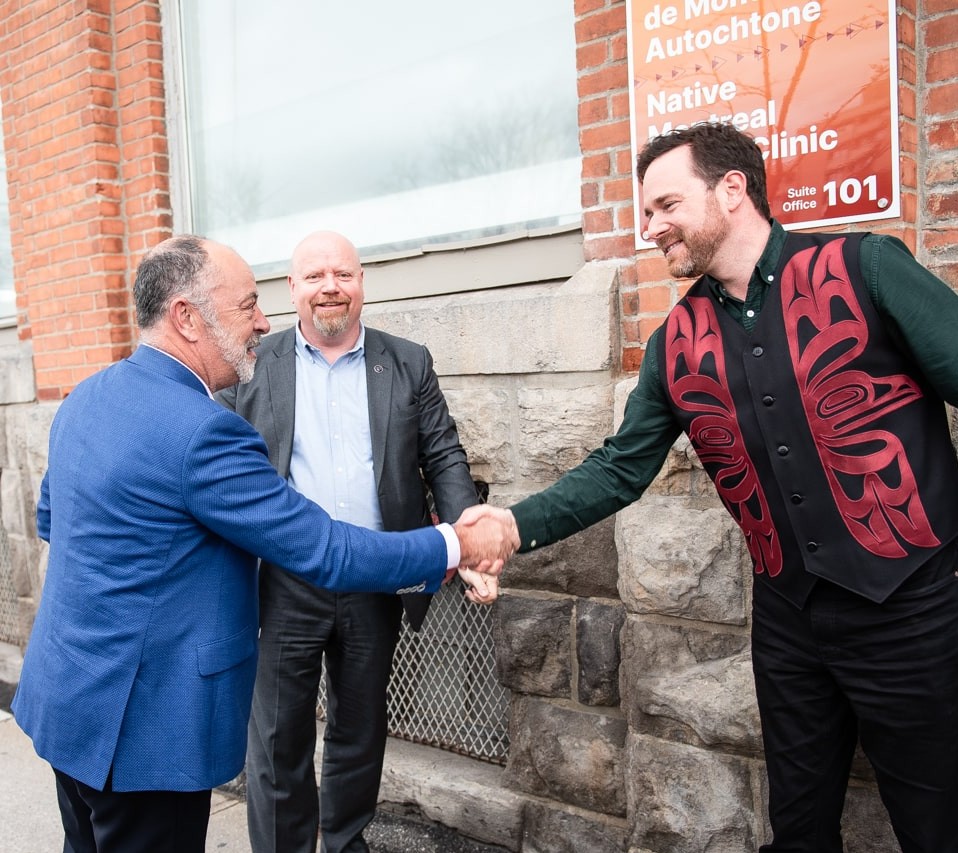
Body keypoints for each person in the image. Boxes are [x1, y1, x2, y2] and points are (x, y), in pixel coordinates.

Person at [464, 122, 958, 852]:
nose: (652, 226)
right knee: (797, 826)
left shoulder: (865, 266)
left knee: (937, 823)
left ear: (732, 189)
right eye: (646, 213)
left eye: (666, 204)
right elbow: (621, 466)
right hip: (789, 623)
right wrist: (511, 524)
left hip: (913, 608)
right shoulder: (674, 341)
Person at [11, 235, 511, 853]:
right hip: (144, 730)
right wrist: (454, 545)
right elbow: (324, 549)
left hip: (70, 702)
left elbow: (54, 522)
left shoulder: (86, 396)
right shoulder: (203, 430)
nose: (263, 319)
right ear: (188, 317)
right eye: (248, 304)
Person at [216, 230, 488, 853]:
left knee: (359, 730)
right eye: (314, 276)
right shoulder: (255, 366)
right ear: (293, 290)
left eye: (343, 274)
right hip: (284, 582)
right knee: (279, 737)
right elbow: (224, 472)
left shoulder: (408, 360)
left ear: (362, 283)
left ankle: (344, 842)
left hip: (377, 574)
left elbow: (443, 458)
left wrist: (469, 538)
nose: (330, 287)